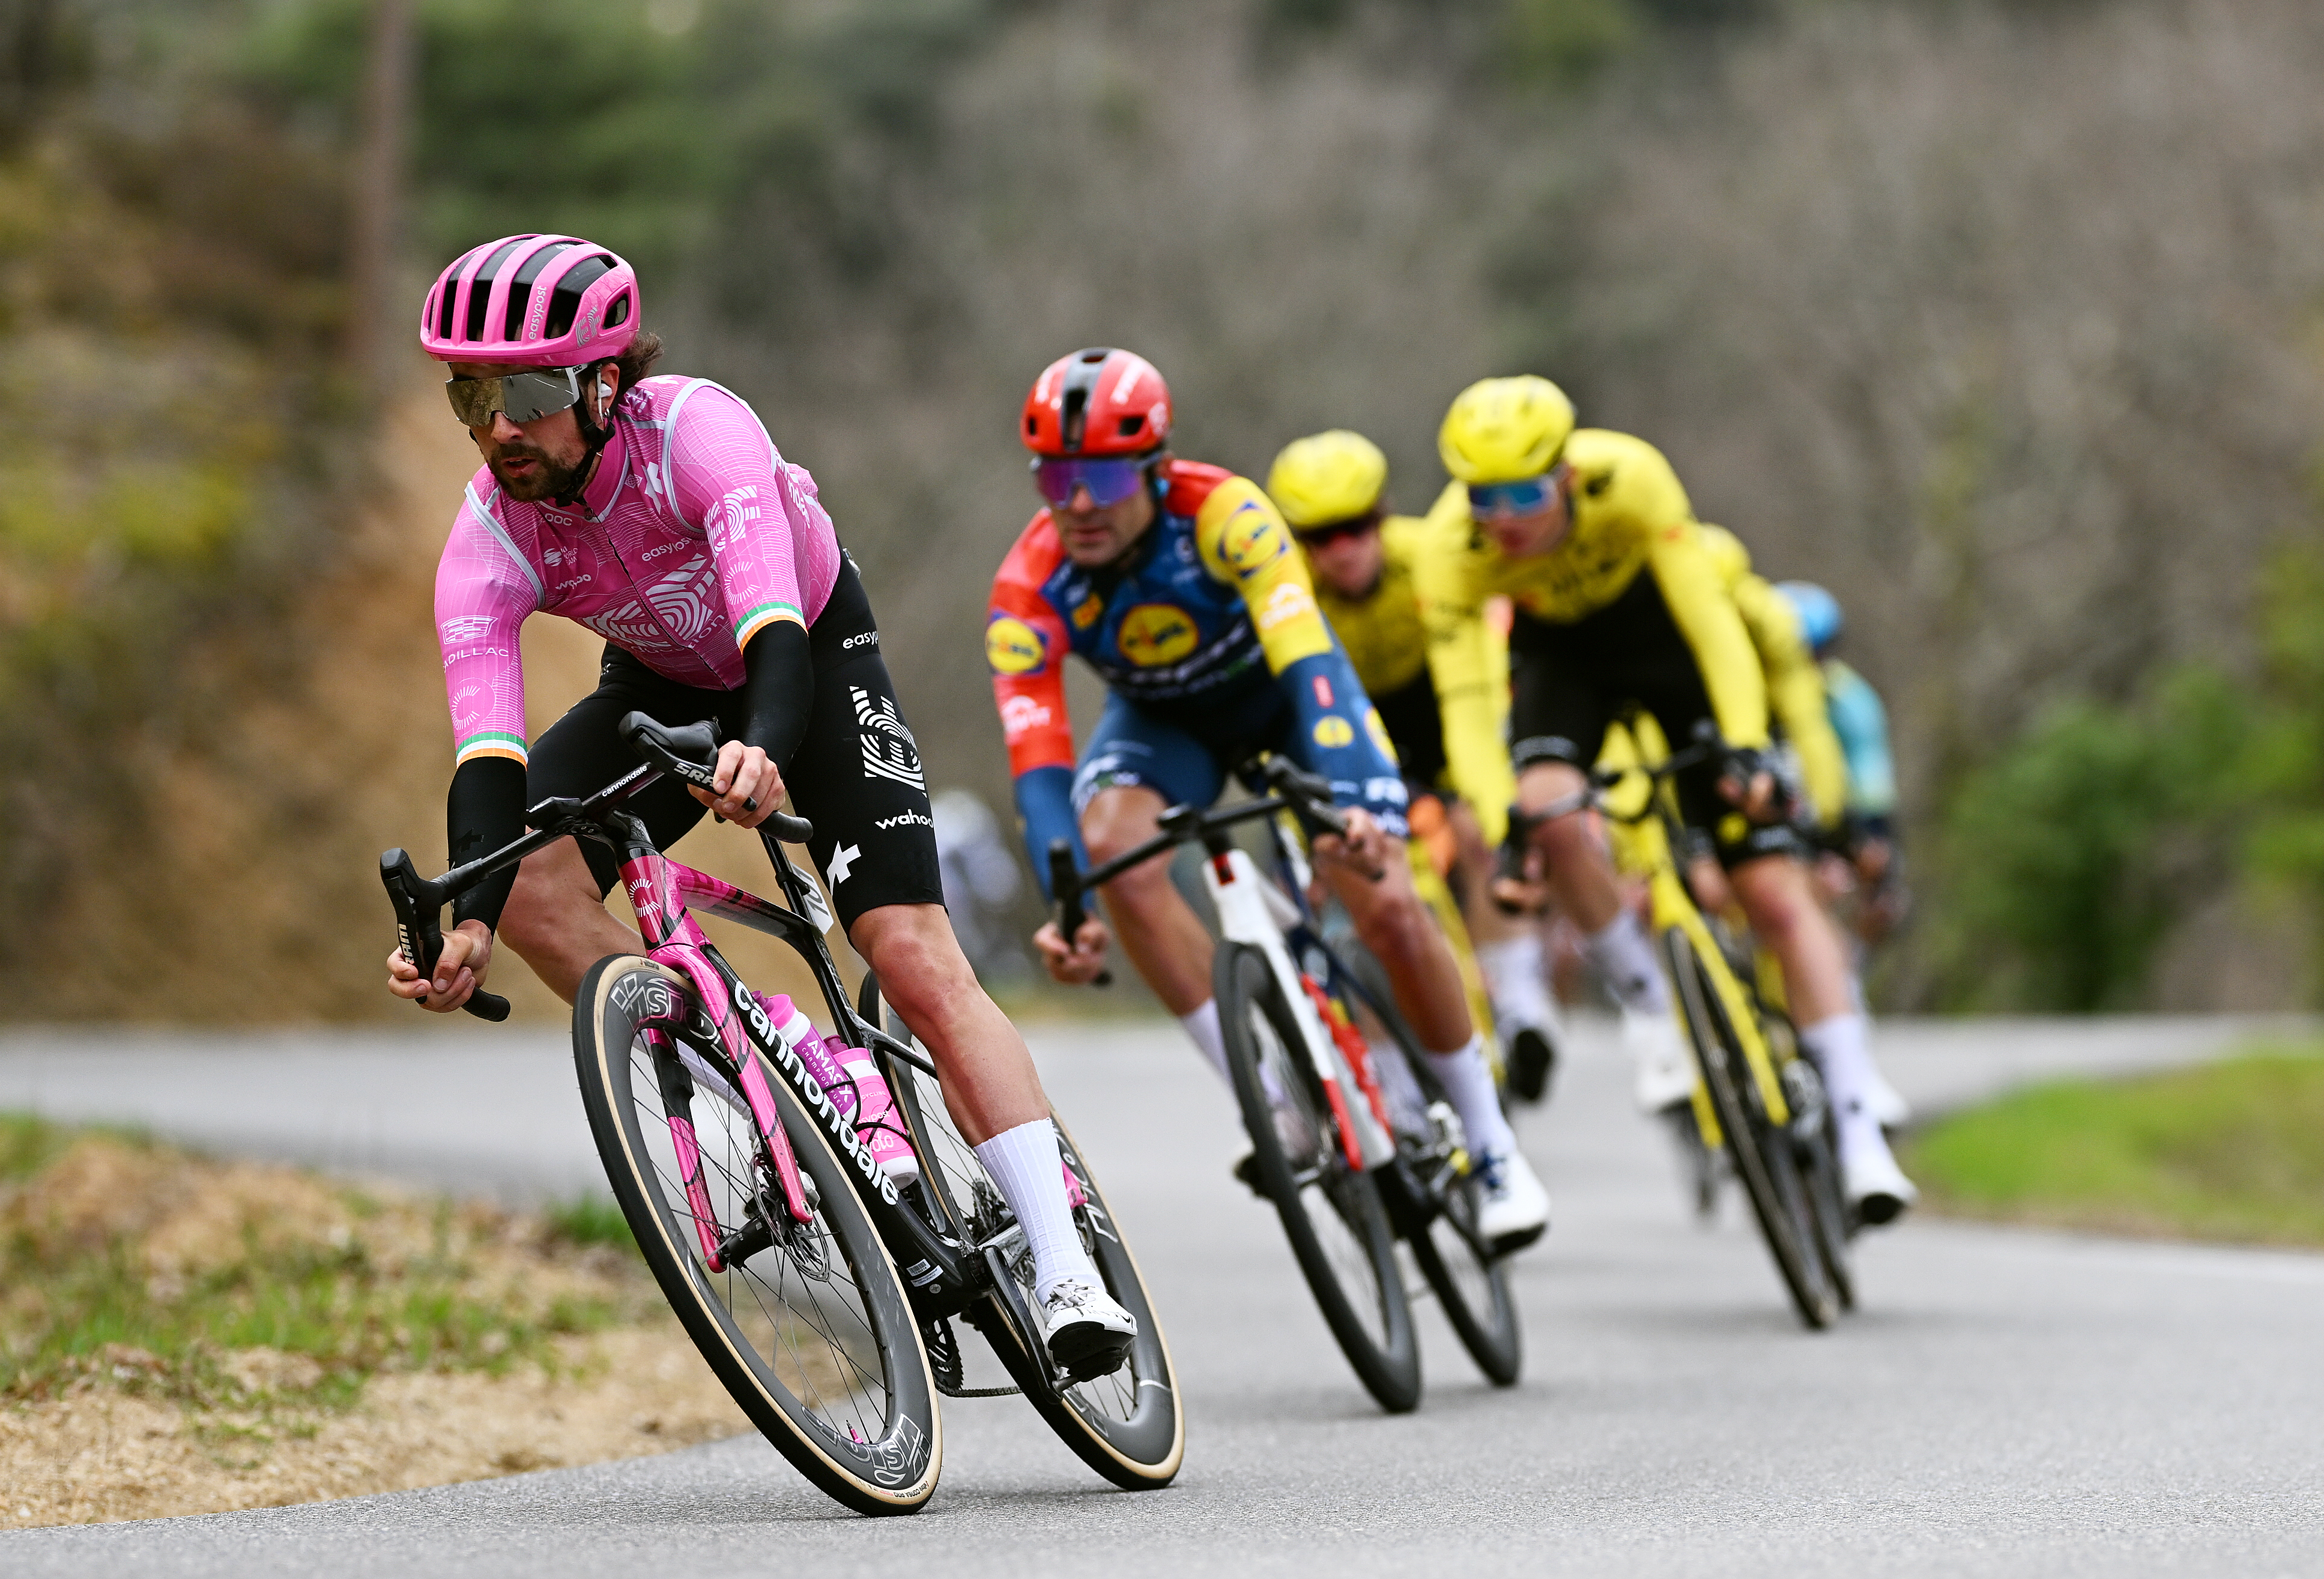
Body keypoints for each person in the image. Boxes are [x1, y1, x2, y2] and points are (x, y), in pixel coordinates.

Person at [382, 235, 1134, 1368]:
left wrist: (768, 750)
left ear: (602, 383)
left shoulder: (696, 431)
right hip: (662, 683)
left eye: (526, 393)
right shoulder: (489, 535)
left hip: (808, 656)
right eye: (470, 396)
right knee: (531, 893)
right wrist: (471, 917)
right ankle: (775, 1099)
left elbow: (774, 637)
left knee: (910, 952)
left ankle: (1063, 1260)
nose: (497, 428)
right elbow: (488, 756)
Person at [986, 349, 1548, 1249]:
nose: (1078, 502)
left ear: (1153, 466)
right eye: (1057, 476)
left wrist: (1345, 798)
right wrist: (1067, 897)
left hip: (1289, 703)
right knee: (1111, 854)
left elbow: (1310, 661)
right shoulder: (1029, 584)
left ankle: (1489, 1144)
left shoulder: (1226, 514)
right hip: (1166, 724)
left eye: (1099, 474)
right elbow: (1039, 760)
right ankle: (1278, 1106)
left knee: (1386, 901)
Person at [1420, 375, 1915, 1224]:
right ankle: (1655, 1008)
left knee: (1769, 889)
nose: (1501, 517)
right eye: (1481, 496)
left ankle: (1858, 1127)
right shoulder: (1451, 548)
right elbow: (1466, 697)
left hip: (1664, 646)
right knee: (1546, 808)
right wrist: (1498, 811)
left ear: (1567, 476)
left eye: (1523, 494)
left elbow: (1710, 623)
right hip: (1560, 663)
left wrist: (1745, 742)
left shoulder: (1632, 477)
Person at [1263, 430, 1564, 1102]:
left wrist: (1482, 786)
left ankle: (1518, 1000)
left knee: (1482, 823)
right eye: (1320, 536)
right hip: (1340, 717)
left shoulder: (1429, 555)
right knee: (1348, 888)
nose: (1343, 550)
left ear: (1383, 515)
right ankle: (1392, 1084)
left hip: (1434, 708)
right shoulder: (1287, 590)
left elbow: (1478, 680)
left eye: (1357, 527)